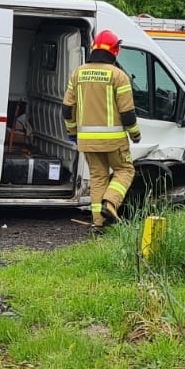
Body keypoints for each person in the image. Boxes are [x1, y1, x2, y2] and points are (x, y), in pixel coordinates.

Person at [63, 28, 141, 228]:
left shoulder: (78, 73)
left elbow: (67, 109)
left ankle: (99, 224)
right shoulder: (118, 76)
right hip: (114, 141)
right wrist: (135, 134)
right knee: (125, 170)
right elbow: (127, 113)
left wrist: (72, 133)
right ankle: (110, 202)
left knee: (98, 178)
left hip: (87, 141)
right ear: (115, 51)